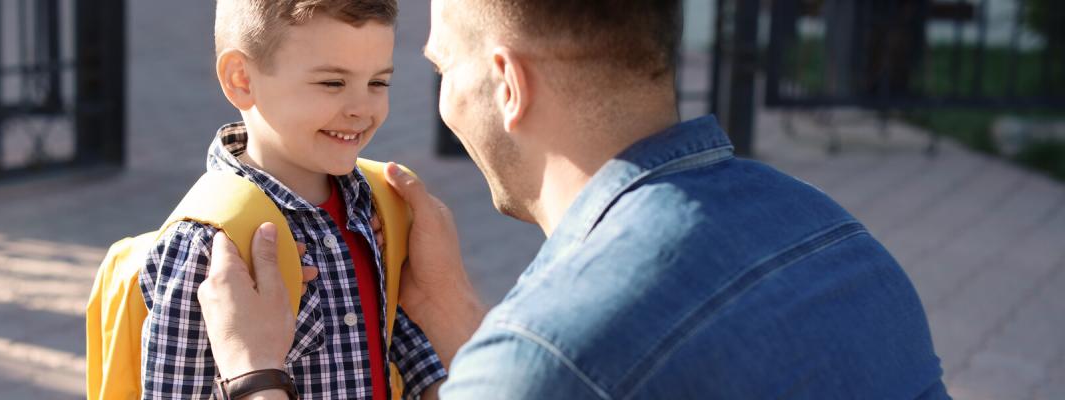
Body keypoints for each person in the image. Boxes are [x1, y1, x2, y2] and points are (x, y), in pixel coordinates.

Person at [198, 0, 952, 398]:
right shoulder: (834, 237)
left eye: (440, 69)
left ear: (507, 84)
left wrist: (256, 372)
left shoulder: (546, 363)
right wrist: (460, 318)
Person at [139, 1, 446, 399]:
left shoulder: (374, 206)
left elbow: (399, 338)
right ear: (241, 80)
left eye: (378, 83)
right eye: (333, 83)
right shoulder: (209, 242)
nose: (361, 109)